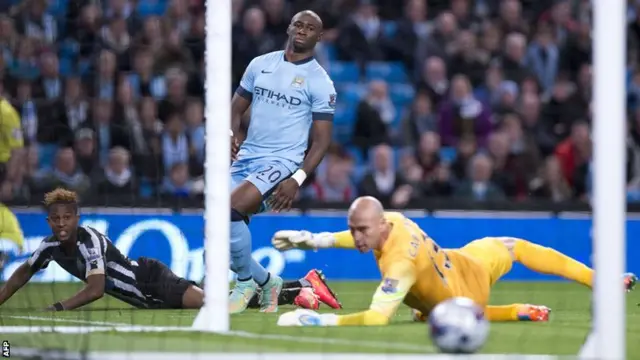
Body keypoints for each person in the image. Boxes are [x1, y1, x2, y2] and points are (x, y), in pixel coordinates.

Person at [274, 196, 637, 326]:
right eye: (353, 230)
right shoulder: (394, 221)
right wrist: (314, 239)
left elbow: (375, 319)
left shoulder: (400, 263)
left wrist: (317, 323)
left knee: (434, 311)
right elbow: (355, 233)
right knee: (513, 247)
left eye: (362, 231)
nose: (356, 238)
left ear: (380, 226)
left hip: (465, 295)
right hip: (460, 261)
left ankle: (596, 282)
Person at [228, 9, 336, 314]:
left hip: (282, 161)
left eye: (310, 27)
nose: (302, 30)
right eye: (298, 24)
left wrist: (297, 178)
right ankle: (269, 282)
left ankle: (246, 281)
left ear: (319, 36)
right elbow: (234, 108)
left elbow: (322, 141)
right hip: (248, 155)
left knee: (231, 210)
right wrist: (228, 133)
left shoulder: (320, 82)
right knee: (217, 223)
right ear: (289, 28)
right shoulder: (260, 64)